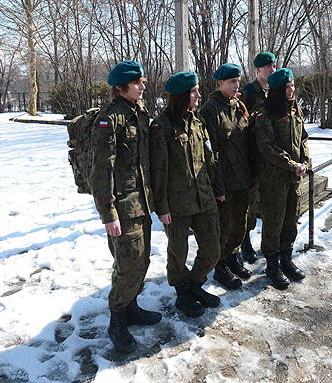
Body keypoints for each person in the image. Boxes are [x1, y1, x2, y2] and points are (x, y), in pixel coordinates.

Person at [89, 60, 161, 354]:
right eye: (137, 83)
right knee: (128, 264)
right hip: (122, 206)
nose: (142, 87)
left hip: (141, 202)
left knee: (141, 261)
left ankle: (131, 307)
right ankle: (117, 320)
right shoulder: (110, 119)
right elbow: (100, 171)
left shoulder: (138, 112)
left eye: (142, 82)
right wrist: (108, 214)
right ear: (121, 87)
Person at [149, 71, 221, 317]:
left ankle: (195, 285)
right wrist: (162, 207)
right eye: (194, 91)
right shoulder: (161, 126)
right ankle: (182, 293)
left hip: (204, 197)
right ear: (181, 95)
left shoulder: (197, 121)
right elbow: (158, 170)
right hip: (177, 203)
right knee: (178, 253)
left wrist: (218, 190)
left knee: (212, 248)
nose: (199, 95)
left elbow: (209, 159)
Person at [254, 68, 311, 290]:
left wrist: (305, 160)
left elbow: (303, 138)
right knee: (273, 222)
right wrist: (292, 164)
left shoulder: (295, 109)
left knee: (291, 219)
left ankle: (286, 258)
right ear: (278, 90)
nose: (292, 90)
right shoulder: (265, 113)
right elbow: (266, 146)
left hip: (294, 177)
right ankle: (272, 265)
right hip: (274, 179)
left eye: (293, 86)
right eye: (287, 87)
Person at [199, 63, 254, 290]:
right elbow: (210, 152)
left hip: (242, 176)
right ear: (220, 83)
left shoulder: (238, 105)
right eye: (232, 81)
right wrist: (218, 187)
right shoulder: (209, 110)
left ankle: (232, 256)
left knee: (240, 222)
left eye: (238, 81)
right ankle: (220, 264)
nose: (237, 85)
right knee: (224, 224)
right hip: (225, 178)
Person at [239, 51, 277, 263]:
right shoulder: (248, 93)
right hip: (251, 156)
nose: (272, 70)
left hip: (269, 157)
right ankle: (244, 242)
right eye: (267, 67)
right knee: (250, 204)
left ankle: (269, 243)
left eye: (273, 66)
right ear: (258, 70)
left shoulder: (274, 90)